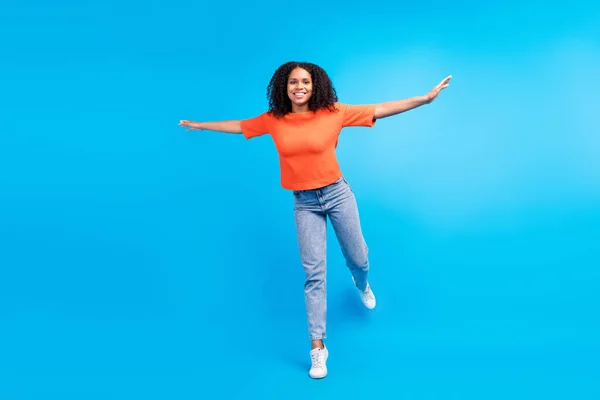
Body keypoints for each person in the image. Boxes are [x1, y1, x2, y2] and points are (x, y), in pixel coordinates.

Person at [179, 61, 451, 379]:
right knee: (313, 276)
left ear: (314, 85)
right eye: (293, 82)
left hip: (337, 194)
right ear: (284, 86)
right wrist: (201, 125)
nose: (299, 87)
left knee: (359, 258)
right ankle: (318, 348)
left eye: (305, 82)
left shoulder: (333, 112)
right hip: (304, 203)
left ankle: (360, 283)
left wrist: (423, 99)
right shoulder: (274, 120)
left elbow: (380, 108)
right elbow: (240, 125)